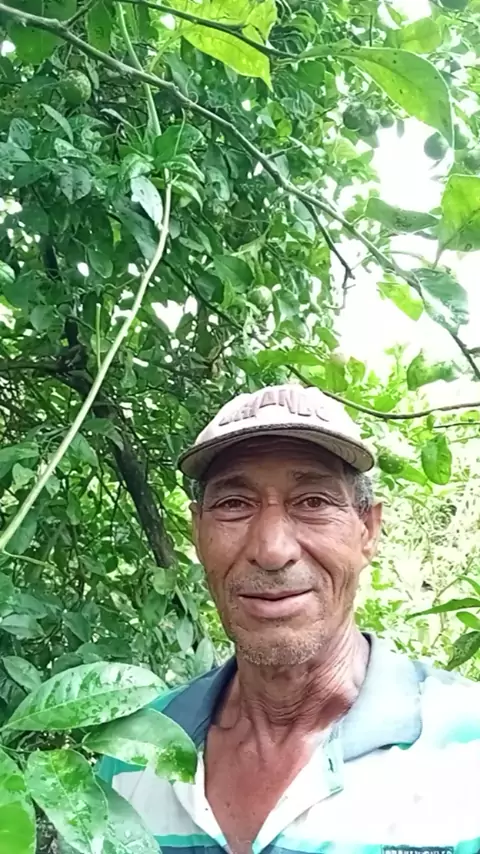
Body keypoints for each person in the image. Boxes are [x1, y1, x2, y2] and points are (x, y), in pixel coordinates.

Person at [99, 384, 480, 854]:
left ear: (367, 530)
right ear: (198, 533)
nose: (272, 550)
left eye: (313, 501)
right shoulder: (134, 749)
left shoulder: (469, 745)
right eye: (234, 504)